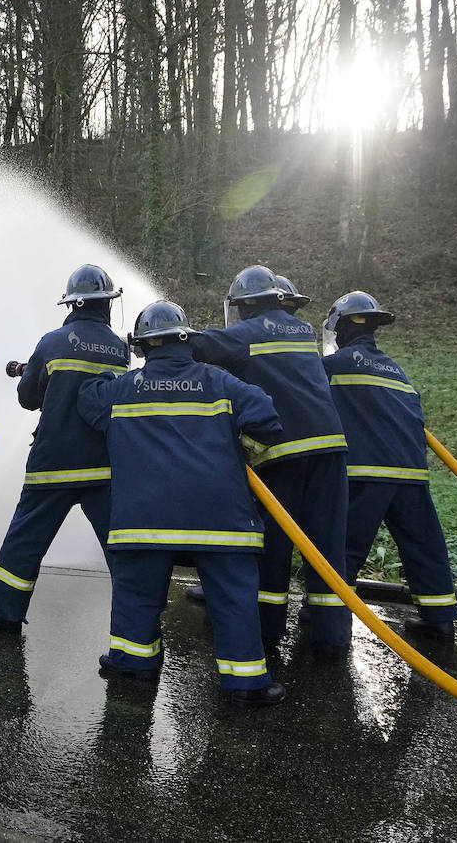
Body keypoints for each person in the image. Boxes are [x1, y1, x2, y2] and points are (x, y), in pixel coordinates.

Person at [77, 300, 288, 707]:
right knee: (232, 599)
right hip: (221, 519)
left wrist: (111, 371)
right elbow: (266, 416)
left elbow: (88, 402)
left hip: (144, 520)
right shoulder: (220, 382)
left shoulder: (123, 389)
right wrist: (242, 452)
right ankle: (246, 686)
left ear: (142, 347)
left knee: (136, 594)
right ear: (186, 341)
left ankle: (132, 665)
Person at [189, 264, 352, 656]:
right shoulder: (302, 330)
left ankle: (265, 630)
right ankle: (331, 638)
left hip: (284, 452)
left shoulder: (247, 333)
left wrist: (163, 338)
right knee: (327, 544)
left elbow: (203, 346)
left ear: (244, 306)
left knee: (273, 546)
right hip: (331, 449)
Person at [0, 264, 129, 633]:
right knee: (121, 550)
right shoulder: (121, 350)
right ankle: (135, 624)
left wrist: (38, 377)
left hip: (52, 466)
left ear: (72, 305)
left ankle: (3, 616)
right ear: (106, 304)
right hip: (103, 469)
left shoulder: (51, 343)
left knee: (24, 545)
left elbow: (28, 398)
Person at [321, 291, 457, 640]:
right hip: (412, 471)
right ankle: (439, 617)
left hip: (366, 470)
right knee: (423, 545)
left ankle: (327, 615)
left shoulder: (336, 364)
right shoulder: (396, 369)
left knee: (345, 545)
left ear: (338, 326)